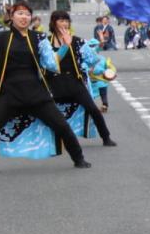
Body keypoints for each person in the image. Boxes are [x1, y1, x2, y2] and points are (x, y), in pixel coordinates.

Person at [0, 1, 90, 175]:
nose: (24, 17)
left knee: (62, 126)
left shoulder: (38, 38)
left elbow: (51, 64)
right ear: (11, 16)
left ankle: (79, 159)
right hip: (9, 95)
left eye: (27, 14)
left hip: (36, 95)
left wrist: (66, 46)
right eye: (20, 13)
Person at [45, 10, 116, 146]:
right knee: (50, 114)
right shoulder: (46, 42)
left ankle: (106, 137)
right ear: (53, 23)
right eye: (61, 20)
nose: (64, 23)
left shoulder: (77, 41)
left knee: (93, 109)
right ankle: (54, 141)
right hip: (53, 83)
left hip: (74, 81)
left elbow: (93, 59)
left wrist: (87, 65)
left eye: (66, 21)